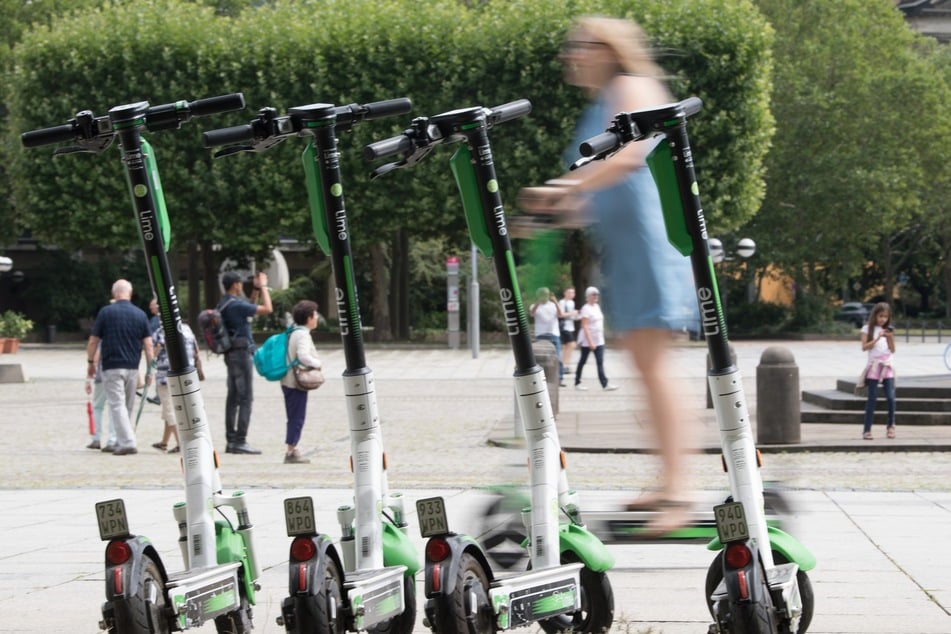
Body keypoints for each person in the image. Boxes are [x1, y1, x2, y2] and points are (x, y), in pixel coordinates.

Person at [517, 16, 699, 533]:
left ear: (608, 48)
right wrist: (552, 212)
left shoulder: (632, 86)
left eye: (581, 47)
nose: (571, 56)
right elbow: (595, 187)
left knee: (655, 362)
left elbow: (626, 155)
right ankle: (669, 483)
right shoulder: (603, 99)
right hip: (624, 247)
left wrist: (563, 190)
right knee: (645, 364)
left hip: (650, 242)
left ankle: (679, 492)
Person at [85, 279, 154, 456]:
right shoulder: (140, 314)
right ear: (130, 293)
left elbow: (93, 340)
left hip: (111, 365)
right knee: (127, 406)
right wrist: (149, 370)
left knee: (116, 405)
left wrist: (91, 362)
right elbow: (148, 344)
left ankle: (127, 442)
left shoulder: (106, 312)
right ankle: (119, 440)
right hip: (132, 366)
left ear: (114, 293)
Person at [219, 270, 272, 454]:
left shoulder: (225, 303)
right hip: (241, 354)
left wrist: (256, 290)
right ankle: (240, 440)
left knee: (232, 398)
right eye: (240, 282)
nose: (242, 284)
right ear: (235, 284)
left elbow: (249, 309)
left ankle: (231, 440)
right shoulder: (235, 305)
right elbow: (267, 309)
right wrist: (264, 286)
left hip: (230, 353)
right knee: (246, 398)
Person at [280, 300, 323, 464]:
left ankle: (292, 449)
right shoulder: (303, 335)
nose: (317, 317)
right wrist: (318, 364)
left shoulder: (294, 332)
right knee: (297, 417)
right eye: (315, 314)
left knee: (293, 415)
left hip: (288, 380)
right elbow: (303, 355)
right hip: (295, 381)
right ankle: (291, 451)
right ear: (309, 317)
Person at [150, 319, 203, 453]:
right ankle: (164, 442)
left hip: (166, 374)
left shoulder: (163, 330)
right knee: (173, 409)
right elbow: (197, 350)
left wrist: (150, 363)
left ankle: (181, 443)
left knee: (169, 410)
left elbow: (157, 347)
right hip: (186, 375)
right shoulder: (187, 329)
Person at [859, 302, 897, 440]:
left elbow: (892, 350)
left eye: (885, 317)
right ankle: (867, 430)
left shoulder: (888, 330)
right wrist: (877, 338)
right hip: (874, 366)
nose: (883, 319)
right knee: (872, 398)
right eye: (880, 316)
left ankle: (891, 426)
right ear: (875, 315)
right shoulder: (867, 329)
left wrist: (890, 337)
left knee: (891, 397)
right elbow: (864, 347)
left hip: (887, 365)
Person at [573, 286, 617, 392]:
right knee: (582, 361)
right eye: (593, 294)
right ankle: (577, 382)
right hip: (588, 341)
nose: (596, 296)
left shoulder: (597, 306)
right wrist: (590, 342)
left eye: (597, 294)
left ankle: (605, 384)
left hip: (599, 340)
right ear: (588, 296)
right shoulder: (586, 308)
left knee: (600, 362)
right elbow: (585, 326)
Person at [529, 287, 566, 386]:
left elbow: (561, 314)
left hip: (553, 334)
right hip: (541, 335)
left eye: (546, 295)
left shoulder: (553, 305)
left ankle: (559, 379)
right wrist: (538, 302)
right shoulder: (534, 305)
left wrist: (556, 302)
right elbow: (532, 313)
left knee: (557, 358)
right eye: (543, 295)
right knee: (541, 359)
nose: (545, 297)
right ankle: (542, 379)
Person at [84, 343, 116, 451]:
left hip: (103, 375)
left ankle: (96, 438)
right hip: (119, 375)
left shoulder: (104, 333)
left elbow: (96, 356)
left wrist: (89, 377)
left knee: (97, 407)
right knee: (114, 408)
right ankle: (112, 439)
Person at [558, 286, 580, 372]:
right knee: (571, 344)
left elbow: (571, 316)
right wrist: (572, 312)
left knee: (567, 346)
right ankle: (563, 364)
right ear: (565, 293)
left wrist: (577, 316)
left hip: (571, 326)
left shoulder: (572, 302)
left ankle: (564, 364)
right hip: (564, 327)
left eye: (573, 292)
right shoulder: (562, 302)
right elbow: (561, 315)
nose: (572, 294)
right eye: (569, 292)